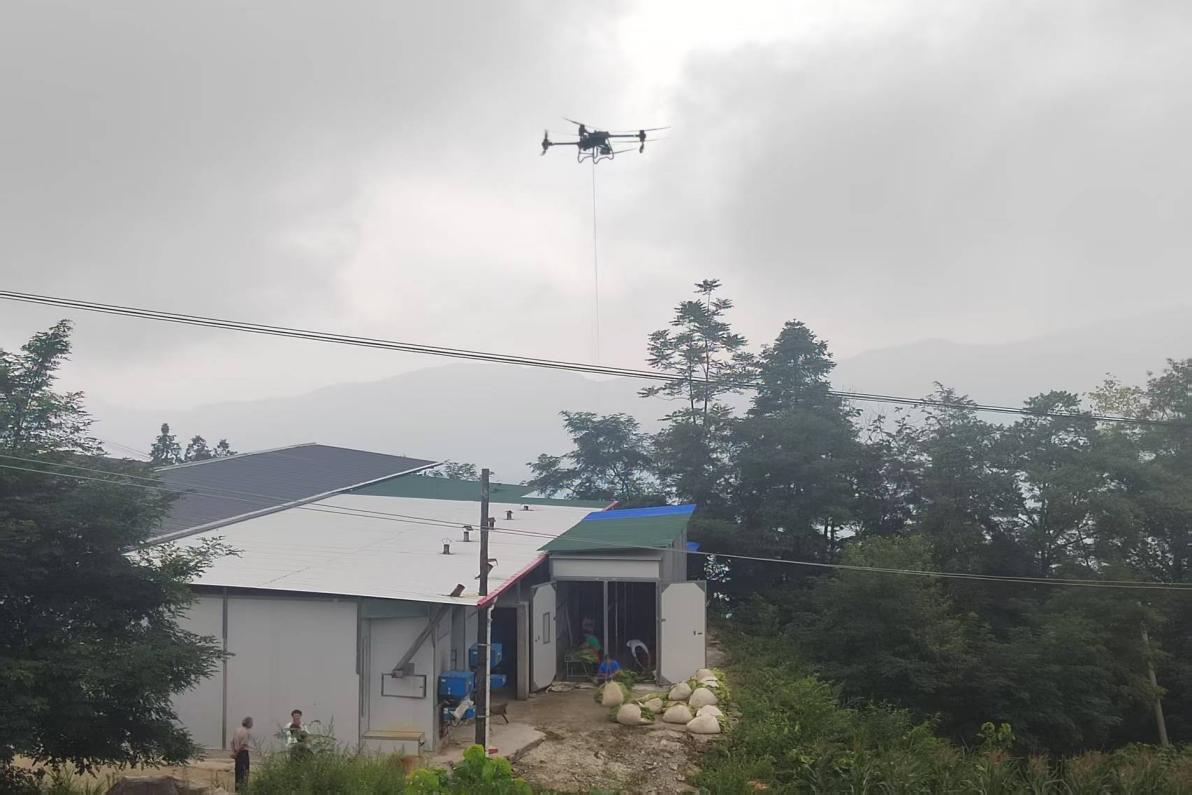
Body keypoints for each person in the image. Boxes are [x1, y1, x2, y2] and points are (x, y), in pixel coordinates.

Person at [230, 716, 252, 790]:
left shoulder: (236, 730)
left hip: (237, 753)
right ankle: (243, 790)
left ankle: (237, 788)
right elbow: (243, 745)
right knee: (244, 771)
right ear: (248, 723)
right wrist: (236, 753)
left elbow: (232, 742)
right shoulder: (246, 732)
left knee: (238, 771)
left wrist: (234, 752)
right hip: (243, 753)